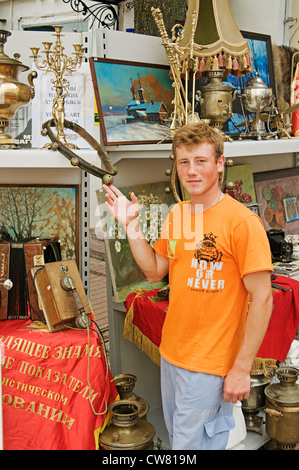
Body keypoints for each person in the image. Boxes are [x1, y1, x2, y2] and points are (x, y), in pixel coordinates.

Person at [103, 122, 273, 450]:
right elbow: (154, 271)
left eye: (201, 161)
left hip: (210, 365)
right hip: (172, 355)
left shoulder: (242, 223)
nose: (191, 171)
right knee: (182, 440)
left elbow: (263, 299)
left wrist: (240, 369)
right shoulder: (179, 214)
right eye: (184, 162)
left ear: (220, 164)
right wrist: (131, 226)